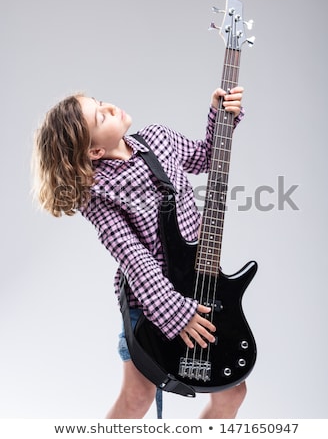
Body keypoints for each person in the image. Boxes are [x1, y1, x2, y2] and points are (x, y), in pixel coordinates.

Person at [32, 85, 247, 419]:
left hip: (199, 289)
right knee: (137, 396)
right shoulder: (97, 194)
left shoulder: (159, 139)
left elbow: (205, 156)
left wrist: (221, 116)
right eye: (99, 115)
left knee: (232, 391)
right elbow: (134, 257)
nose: (110, 107)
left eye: (101, 103)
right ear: (93, 152)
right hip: (150, 304)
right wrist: (177, 313)